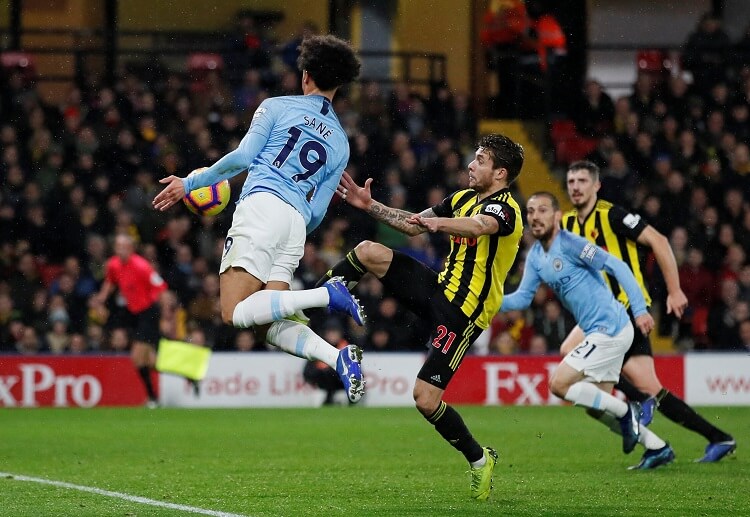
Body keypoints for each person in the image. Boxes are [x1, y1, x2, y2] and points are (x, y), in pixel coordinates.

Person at [152, 35, 367, 403]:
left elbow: (243, 157)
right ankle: (337, 357)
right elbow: (318, 212)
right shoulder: (341, 143)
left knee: (233, 311)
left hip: (263, 205)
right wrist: (292, 226)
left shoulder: (277, 107)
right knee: (266, 321)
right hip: (297, 222)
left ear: (305, 76)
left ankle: (324, 295)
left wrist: (190, 183)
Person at [317, 133, 525, 500]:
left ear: (500, 172)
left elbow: (479, 227)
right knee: (368, 251)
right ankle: (308, 303)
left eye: (480, 160)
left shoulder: (506, 209)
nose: (471, 165)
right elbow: (414, 223)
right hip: (438, 289)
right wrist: (370, 206)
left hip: (464, 314)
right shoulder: (460, 198)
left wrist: (439, 225)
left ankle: (479, 460)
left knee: (426, 399)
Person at [561, 160, 736, 462]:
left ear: (596, 186)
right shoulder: (568, 223)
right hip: (599, 313)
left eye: (582, 181)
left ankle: (642, 408)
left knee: (573, 355)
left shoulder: (613, 215)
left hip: (626, 308)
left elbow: (659, 240)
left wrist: (675, 289)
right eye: (571, 181)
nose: (576, 186)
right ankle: (718, 438)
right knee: (647, 387)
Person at [502, 192, 674, 470]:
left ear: (557, 216)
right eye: (531, 211)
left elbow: (616, 265)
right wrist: (487, 300)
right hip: (596, 331)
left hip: (611, 327)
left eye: (542, 210)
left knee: (559, 384)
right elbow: (522, 298)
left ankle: (627, 409)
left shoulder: (572, 244)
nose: (535, 216)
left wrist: (640, 309)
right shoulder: (535, 256)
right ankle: (657, 447)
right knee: (596, 408)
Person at [91, 234, 167, 407]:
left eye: (124, 246)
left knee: (137, 357)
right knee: (148, 361)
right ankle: (182, 376)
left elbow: (160, 288)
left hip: (148, 313)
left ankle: (153, 398)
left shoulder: (142, 266)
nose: (121, 249)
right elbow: (110, 281)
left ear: (131, 249)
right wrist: (102, 298)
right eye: (118, 246)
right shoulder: (113, 264)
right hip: (133, 314)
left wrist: (165, 315)